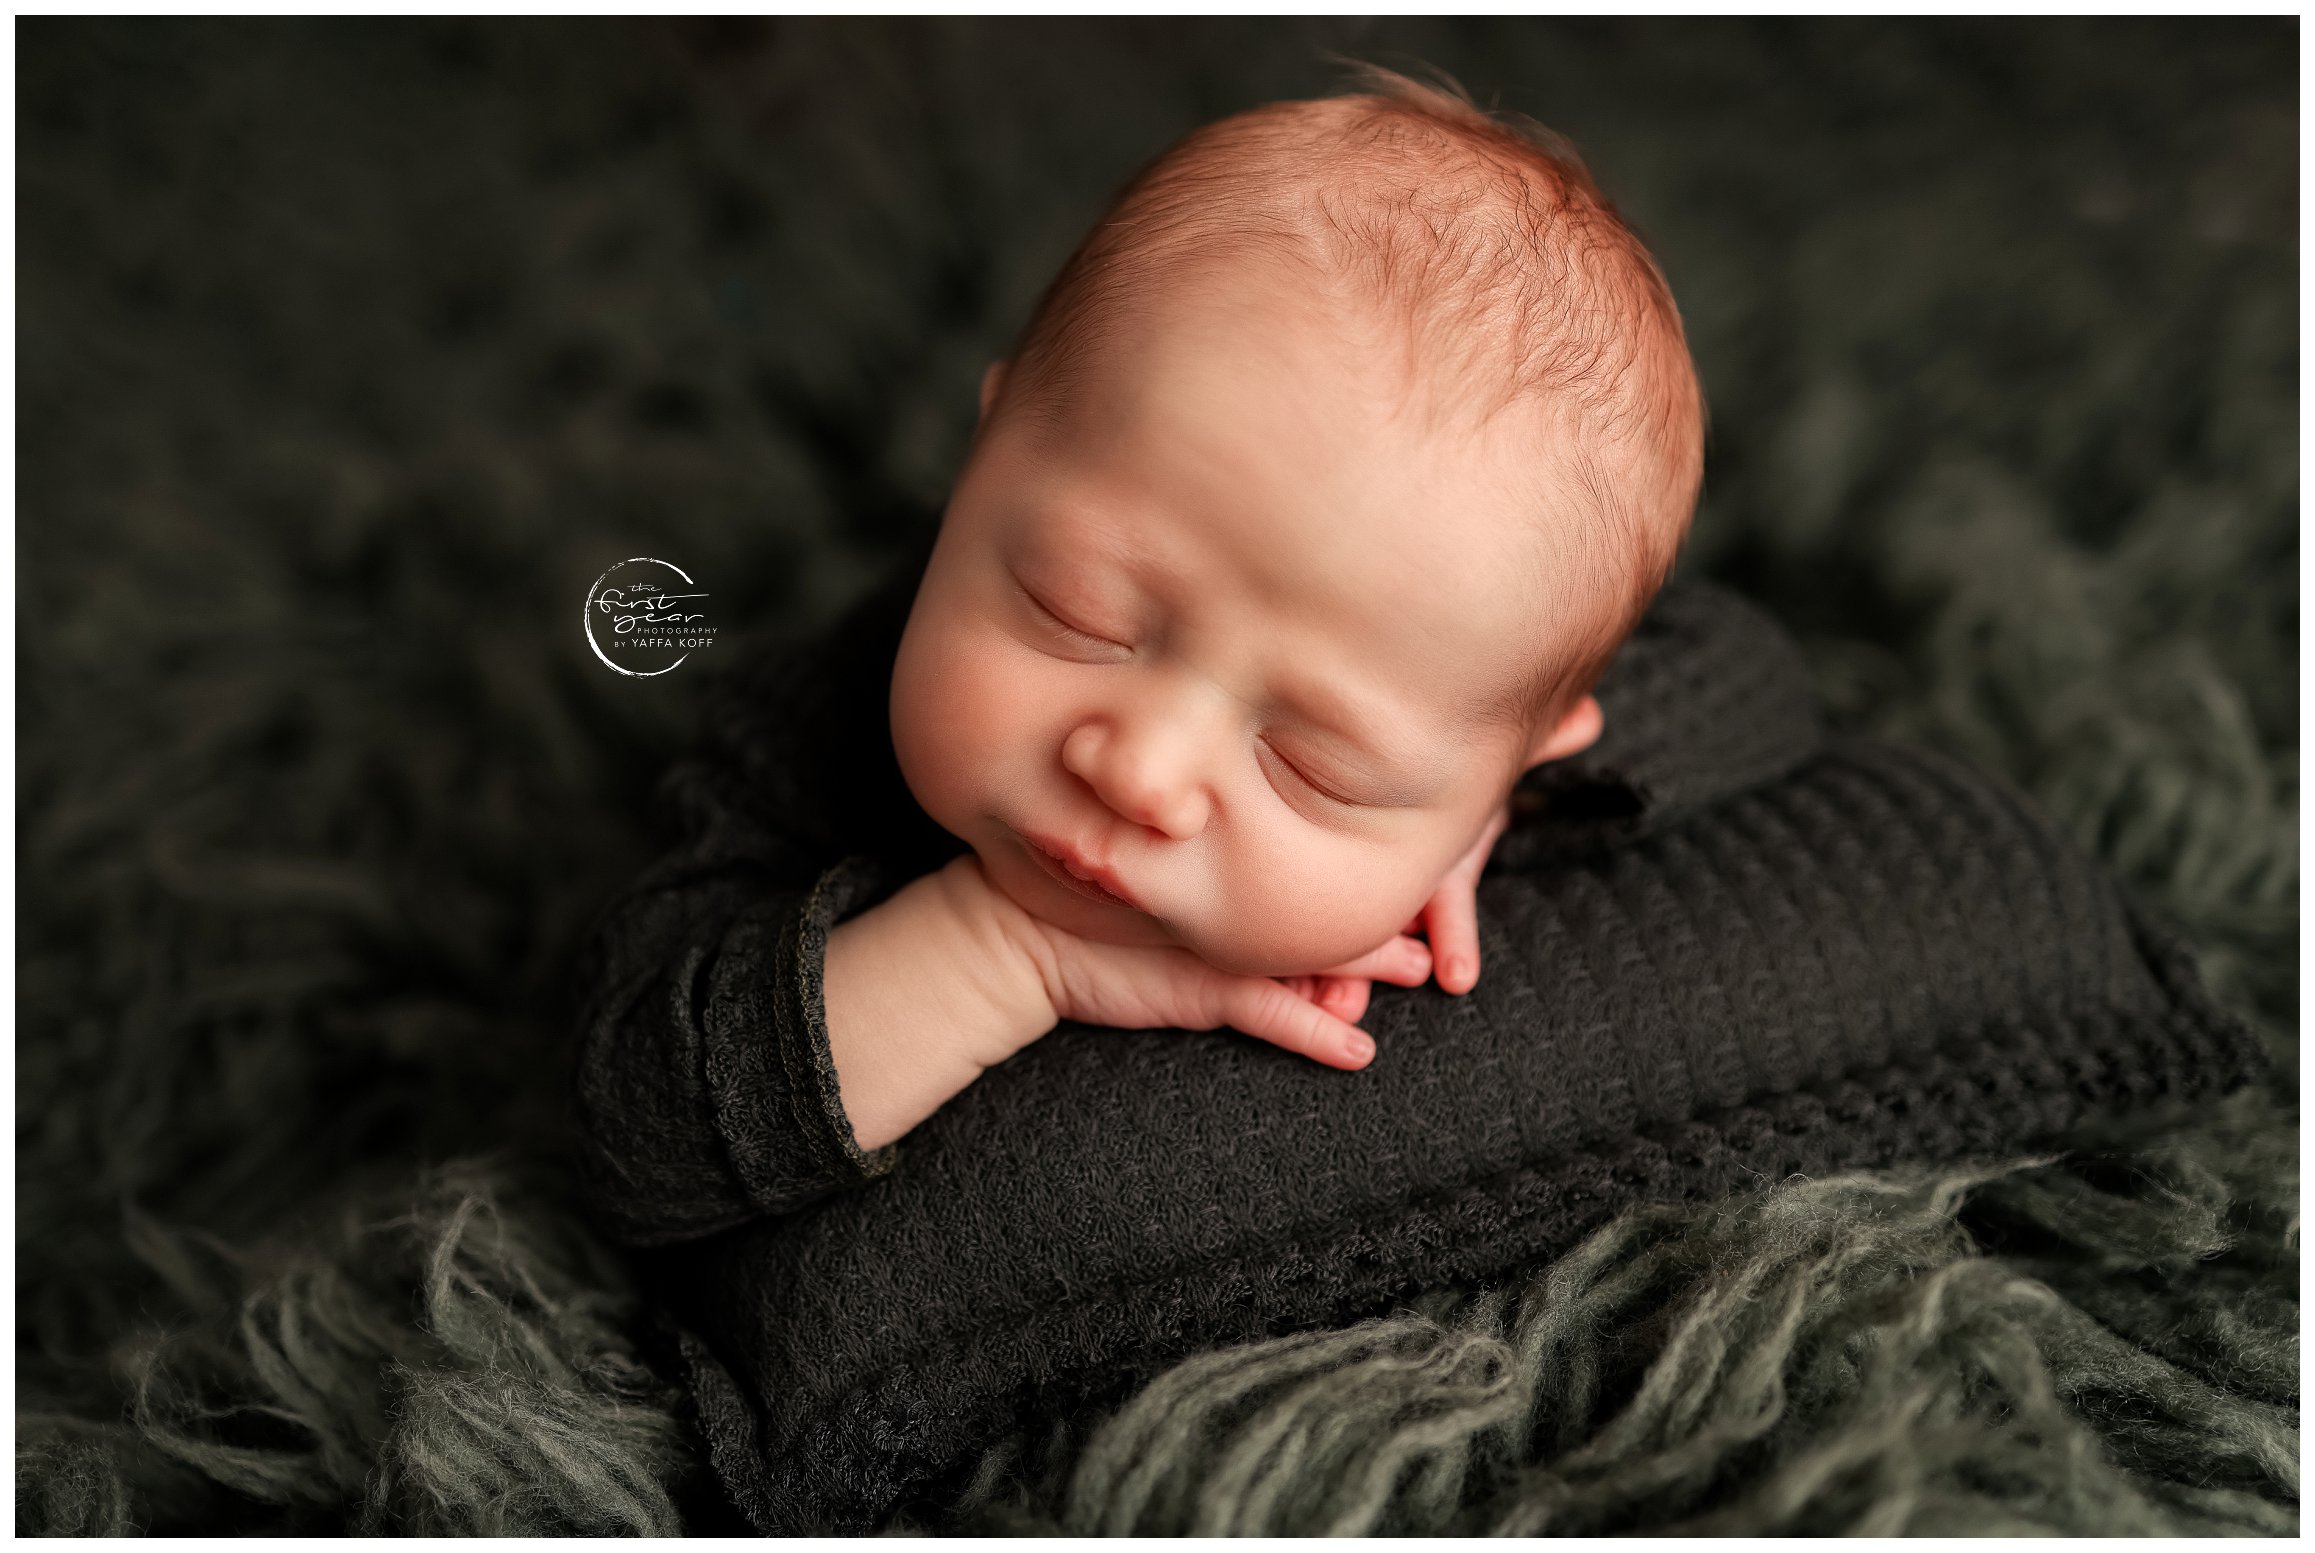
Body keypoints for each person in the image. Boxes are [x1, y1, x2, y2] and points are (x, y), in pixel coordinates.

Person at [576, 66, 1704, 1243]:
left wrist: (1490, 808)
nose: (1140, 772)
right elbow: (631, 1130)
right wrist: (997, 952)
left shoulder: (1477, 709)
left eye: (1317, 764)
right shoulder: (804, 730)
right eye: (1078, 613)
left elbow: (1749, 672)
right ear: (981, 462)